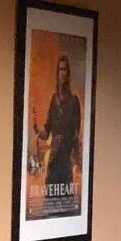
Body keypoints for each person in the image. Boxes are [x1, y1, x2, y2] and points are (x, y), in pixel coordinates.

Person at [36, 54, 83, 201]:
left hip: (65, 158)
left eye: (64, 70)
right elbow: (46, 131)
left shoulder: (73, 101)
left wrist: (78, 157)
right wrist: (35, 127)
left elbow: (76, 133)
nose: (61, 73)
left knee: (66, 201)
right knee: (50, 200)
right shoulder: (53, 99)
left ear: (68, 74)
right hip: (54, 158)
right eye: (59, 70)